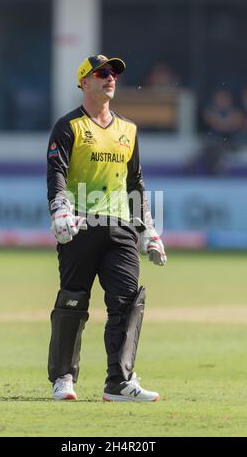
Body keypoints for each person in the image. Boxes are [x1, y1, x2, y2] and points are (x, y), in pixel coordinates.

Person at [47, 54, 167, 402]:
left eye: (113, 73)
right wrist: (59, 209)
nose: (109, 78)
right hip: (81, 221)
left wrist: (148, 231)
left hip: (121, 227)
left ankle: (119, 381)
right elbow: (56, 171)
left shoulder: (128, 130)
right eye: (101, 73)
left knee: (128, 302)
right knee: (73, 299)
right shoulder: (68, 126)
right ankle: (64, 378)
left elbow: (136, 182)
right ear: (83, 82)